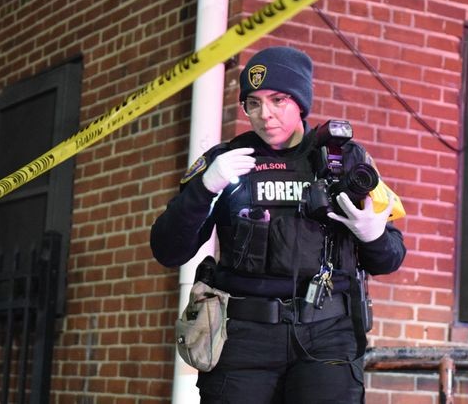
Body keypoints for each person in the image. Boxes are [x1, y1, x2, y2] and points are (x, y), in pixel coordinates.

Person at [151, 46, 406, 403]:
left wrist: (374, 235)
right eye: (253, 104)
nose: (265, 115)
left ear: (301, 102)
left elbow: (390, 258)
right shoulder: (226, 162)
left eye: (278, 100)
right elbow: (168, 249)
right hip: (244, 338)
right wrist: (205, 189)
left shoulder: (344, 161)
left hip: (327, 334)